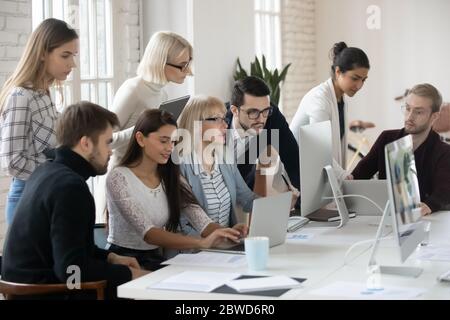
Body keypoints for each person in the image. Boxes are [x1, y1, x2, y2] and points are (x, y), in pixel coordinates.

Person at [1, 102, 147, 300]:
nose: (110, 152)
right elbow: (71, 270)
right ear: (86, 143)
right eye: (107, 143)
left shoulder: (46, 171)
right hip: (44, 293)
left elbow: (72, 251)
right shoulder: (70, 188)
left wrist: (110, 257)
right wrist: (129, 275)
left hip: (29, 289)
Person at [105, 109, 243, 271]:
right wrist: (201, 242)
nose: (170, 148)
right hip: (122, 261)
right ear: (140, 139)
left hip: (155, 258)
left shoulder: (170, 176)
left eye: (173, 142)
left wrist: (230, 234)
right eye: (163, 141)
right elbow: (148, 233)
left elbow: (202, 222)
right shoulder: (118, 177)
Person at [94, 31, 193, 219]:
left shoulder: (161, 94)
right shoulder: (133, 90)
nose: (188, 71)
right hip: (120, 176)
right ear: (161, 62)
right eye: (182, 66)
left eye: (188, 64)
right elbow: (105, 141)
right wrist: (145, 130)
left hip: (145, 178)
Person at [0, 18, 79, 225]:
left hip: (47, 192)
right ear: (43, 53)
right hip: (27, 198)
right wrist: (58, 171)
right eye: (65, 55)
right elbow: (12, 162)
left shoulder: (44, 92)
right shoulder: (20, 97)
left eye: (74, 55)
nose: (73, 64)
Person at [351, 83, 450, 214]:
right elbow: (359, 175)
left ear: (434, 117)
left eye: (418, 112)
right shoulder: (387, 139)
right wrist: (348, 180)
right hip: (385, 218)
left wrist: (428, 206)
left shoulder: (444, 152)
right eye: (408, 109)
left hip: (427, 222)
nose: (409, 117)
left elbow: (444, 192)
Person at [176, 95, 257, 236]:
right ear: (196, 123)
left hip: (225, 244)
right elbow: (182, 225)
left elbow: (246, 198)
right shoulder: (180, 165)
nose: (225, 125)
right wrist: (219, 239)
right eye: (216, 119)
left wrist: (278, 204)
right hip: (194, 250)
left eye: (224, 118)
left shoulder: (224, 156)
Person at [290, 42, 370, 169]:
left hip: (314, 171)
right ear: (338, 72)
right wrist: (343, 175)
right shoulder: (320, 99)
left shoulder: (341, 99)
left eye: (363, 80)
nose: (359, 86)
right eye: (355, 78)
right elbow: (319, 152)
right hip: (296, 174)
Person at [226, 76, 300, 196]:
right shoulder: (216, 123)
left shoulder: (272, 117)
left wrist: (299, 204)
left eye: (265, 110)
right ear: (235, 111)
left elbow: (293, 160)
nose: (261, 119)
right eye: (253, 112)